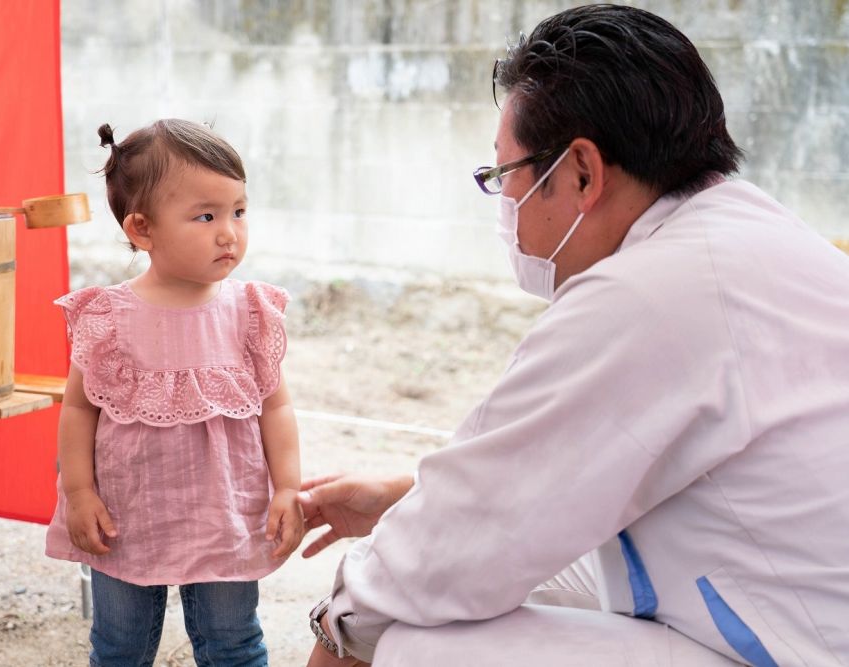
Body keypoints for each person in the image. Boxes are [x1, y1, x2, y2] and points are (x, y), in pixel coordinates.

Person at [299, 5, 849, 666]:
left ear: (581, 171)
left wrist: (336, 629)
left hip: (799, 641)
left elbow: (451, 545)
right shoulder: (749, 232)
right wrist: (399, 498)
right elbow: (531, 484)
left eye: (505, 179)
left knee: (411, 636)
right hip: (784, 595)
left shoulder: (647, 295)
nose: (505, 209)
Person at [45, 119, 304, 667]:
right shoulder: (108, 316)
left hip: (226, 515)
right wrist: (80, 493)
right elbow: (77, 409)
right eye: (205, 216)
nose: (229, 232)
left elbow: (276, 406)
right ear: (142, 229)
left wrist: (287, 488)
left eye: (238, 210)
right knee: (119, 647)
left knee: (234, 642)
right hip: (126, 515)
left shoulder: (249, 311)